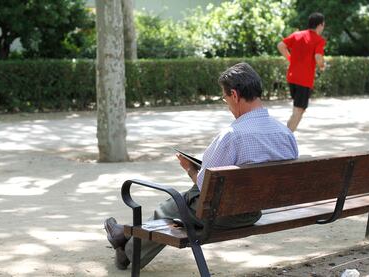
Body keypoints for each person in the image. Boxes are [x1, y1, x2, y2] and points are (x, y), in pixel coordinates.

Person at [104, 62, 299, 271]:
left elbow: (206, 184)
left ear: (234, 94)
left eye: (225, 99)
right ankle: (123, 234)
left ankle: (126, 250)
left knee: (171, 207)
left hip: (222, 215)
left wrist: (190, 168)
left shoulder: (232, 136)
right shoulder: (285, 134)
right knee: (186, 201)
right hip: (255, 211)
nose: (228, 105)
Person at [277, 12, 326, 132]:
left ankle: (286, 134)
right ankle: (284, 138)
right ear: (320, 25)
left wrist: (290, 59)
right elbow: (318, 58)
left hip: (292, 77)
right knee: (298, 111)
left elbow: (280, 45)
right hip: (304, 80)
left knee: (299, 110)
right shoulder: (318, 40)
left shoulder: (297, 35)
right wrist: (322, 66)